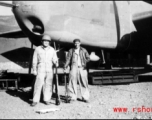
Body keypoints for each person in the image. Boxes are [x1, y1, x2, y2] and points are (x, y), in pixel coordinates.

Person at [31, 35, 58, 107]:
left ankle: (46, 99)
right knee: (38, 84)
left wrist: (56, 62)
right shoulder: (37, 49)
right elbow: (34, 60)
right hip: (41, 68)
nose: (46, 42)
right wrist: (34, 69)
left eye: (47, 41)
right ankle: (35, 100)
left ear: (49, 42)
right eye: (44, 41)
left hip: (49, 68)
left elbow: (54, 58)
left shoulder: (52, 49)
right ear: (42, 41)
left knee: (48, 84)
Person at [64, 39, 90, 103]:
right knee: (72, 81)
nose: (76, 44)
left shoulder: (84, 50)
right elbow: (68, 59)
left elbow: (88, 58)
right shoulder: (71, 50)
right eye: (75, 43)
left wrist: (84, 63)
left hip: (82, 67)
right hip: (73, 67)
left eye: (78, 43)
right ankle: (72, 97)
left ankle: (85, 97)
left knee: (84, 82)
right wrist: (65, 66)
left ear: (80, 43)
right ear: (74, 44)